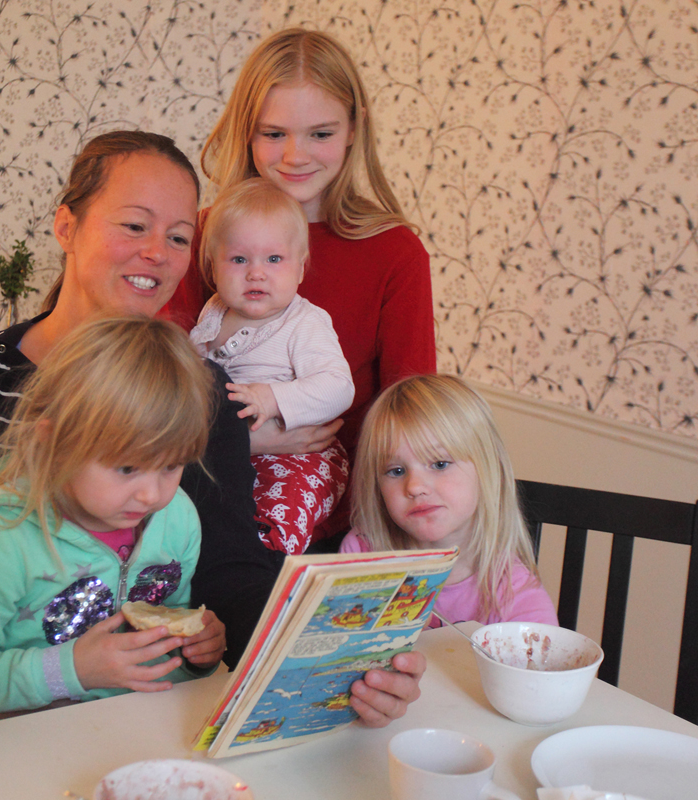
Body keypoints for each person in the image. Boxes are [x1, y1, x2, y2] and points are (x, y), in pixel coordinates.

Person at [0, 129, 424, 727]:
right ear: (66, 226)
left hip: (144, 724)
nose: (157, 252)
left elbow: (230, 575)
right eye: (134, 226)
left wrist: (341, 671)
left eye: (178, 237)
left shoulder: (208, 393)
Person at [161, 27, 436, 543]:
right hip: (198, 510)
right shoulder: (204, 235)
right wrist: (251, 441)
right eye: (274, 133)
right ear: (246, 132)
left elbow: (412, 415)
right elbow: (154, 389)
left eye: (320, 134)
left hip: (343, 528)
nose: (295, 155)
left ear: (354, 129)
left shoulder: (395, 253)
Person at [0, 317, 227, 715]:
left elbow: (166, 641)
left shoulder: (178, 519)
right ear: (53, 441)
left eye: (172, 466)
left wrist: (194, 654)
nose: (152, 494)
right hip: (25, 736)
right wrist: (72, 670)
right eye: (127, 468)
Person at [190, 177, 354, 555]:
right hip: (235, 453)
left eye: (274, 259)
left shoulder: (303, 322)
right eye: (239, 259)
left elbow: (338, 387)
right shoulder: (212, 313)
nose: (256, 273)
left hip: (302, 456)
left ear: (301, 268)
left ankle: (269, 563)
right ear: (213, 267)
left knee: (279, 509)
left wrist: (272, 398)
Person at [341, 374, 557, 626]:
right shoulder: (363, 555)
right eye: (396, 471)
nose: (415, 487)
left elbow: (543, 650)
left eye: (440, 464)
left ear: (490, 470)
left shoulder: (515, 593)